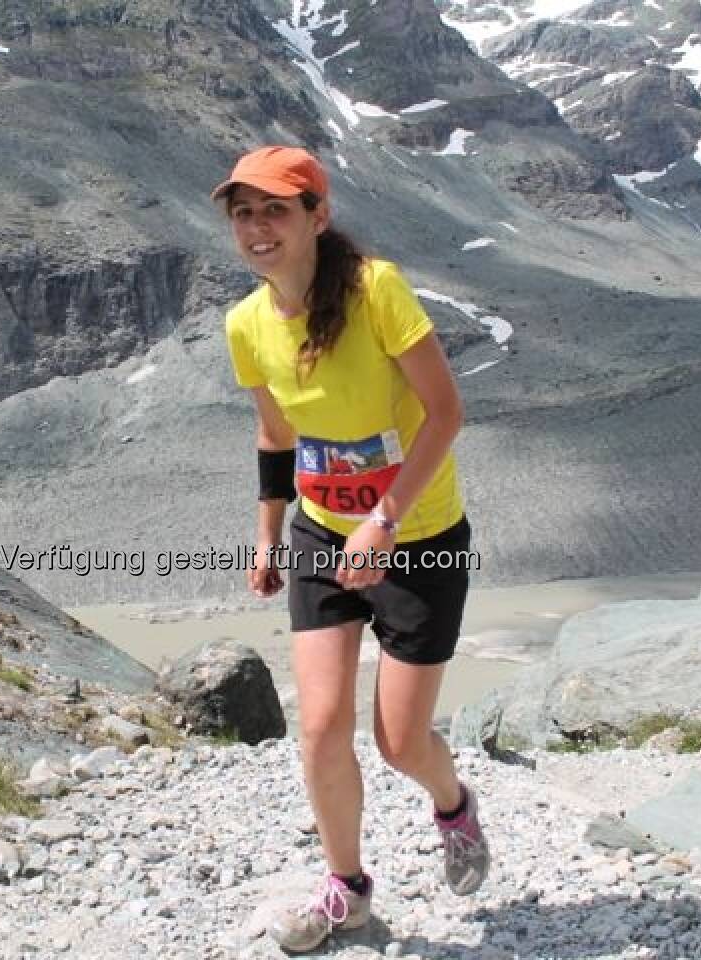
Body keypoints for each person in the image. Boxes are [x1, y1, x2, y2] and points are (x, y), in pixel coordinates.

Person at [213, 146, 489, 953]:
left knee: (400, 742)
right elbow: (275, 436)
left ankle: (454, 807)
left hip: (420, 541)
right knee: (322, 726)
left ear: (316, 217)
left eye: (275, 210)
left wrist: (386, 520)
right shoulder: (245, 323)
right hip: (320, 537)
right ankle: (348, 889)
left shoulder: (377, 291)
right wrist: (267, 537)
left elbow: (445, 414)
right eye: (243, 213)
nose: (258, 228)